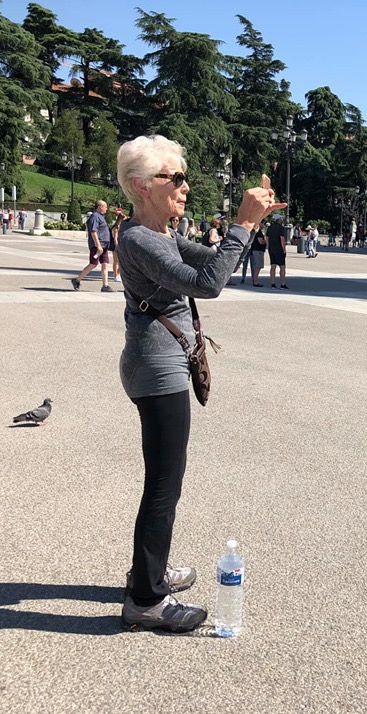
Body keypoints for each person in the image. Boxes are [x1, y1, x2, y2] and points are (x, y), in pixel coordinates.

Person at [114, 134, 283, 634]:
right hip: (156, 369)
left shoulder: (158, 234)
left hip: (160, 364)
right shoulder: (139, 239)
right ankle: (146, 600)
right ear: (143, 186)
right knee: (164, 484)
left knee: (166, 480)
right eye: (177, 178)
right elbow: (208, 286)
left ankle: (148, 571)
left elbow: (213, 263)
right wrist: (243, 224)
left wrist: (250, 225)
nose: (185, 187)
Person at [71, 200, 114, 292]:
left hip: (104, 245)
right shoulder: (95, 217)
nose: (107, 209)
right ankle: (77, 280)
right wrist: (98, 245)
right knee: (93, 264)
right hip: (97, 245)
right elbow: (93, 232)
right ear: (100, 207)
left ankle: (105, 285)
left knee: (105, 264)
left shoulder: (101, 217)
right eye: (105, 207)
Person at [267, 215, 289, 289]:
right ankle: (282, 283)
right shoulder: (281, 228)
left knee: (273, 266)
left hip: (271, 249)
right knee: (282, 267)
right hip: (279, 249)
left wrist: (269, 247)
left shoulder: (269, 228)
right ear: (278, 219)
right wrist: (284, 249)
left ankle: (272, 283)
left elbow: (267, 238)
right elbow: (282, 239)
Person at [111, 208, 125, 282]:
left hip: (121, 244)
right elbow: (115, 238)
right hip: (116, 245)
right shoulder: (116, 227)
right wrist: (117, 246)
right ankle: (115, 275)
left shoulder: (121, 226)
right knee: (116, 261)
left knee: (121, 261)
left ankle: (118, 274)